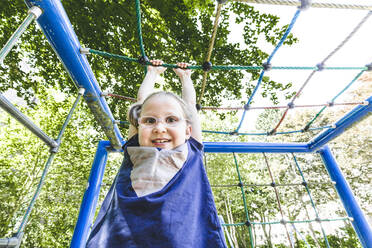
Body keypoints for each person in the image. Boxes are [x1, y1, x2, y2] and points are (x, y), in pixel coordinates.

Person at [86, 60, 227, 248]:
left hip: (181, 238)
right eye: (150, 121)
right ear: (139, 126)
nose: (160, 128)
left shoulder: (191, 150)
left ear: (187, 130)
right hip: (125, 238)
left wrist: (186, 78)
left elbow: (190, 106)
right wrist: (151, 73)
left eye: (171, 120)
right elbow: (140, 103)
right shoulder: (135, 151)